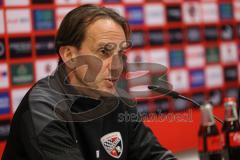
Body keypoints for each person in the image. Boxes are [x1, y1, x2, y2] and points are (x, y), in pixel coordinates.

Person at [2, 4, 177, 160]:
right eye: (103, 52)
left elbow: (154, 155)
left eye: (121, 54)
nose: (117, 67)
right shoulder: (44, 107)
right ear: (70, 55)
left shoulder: (120, 101)